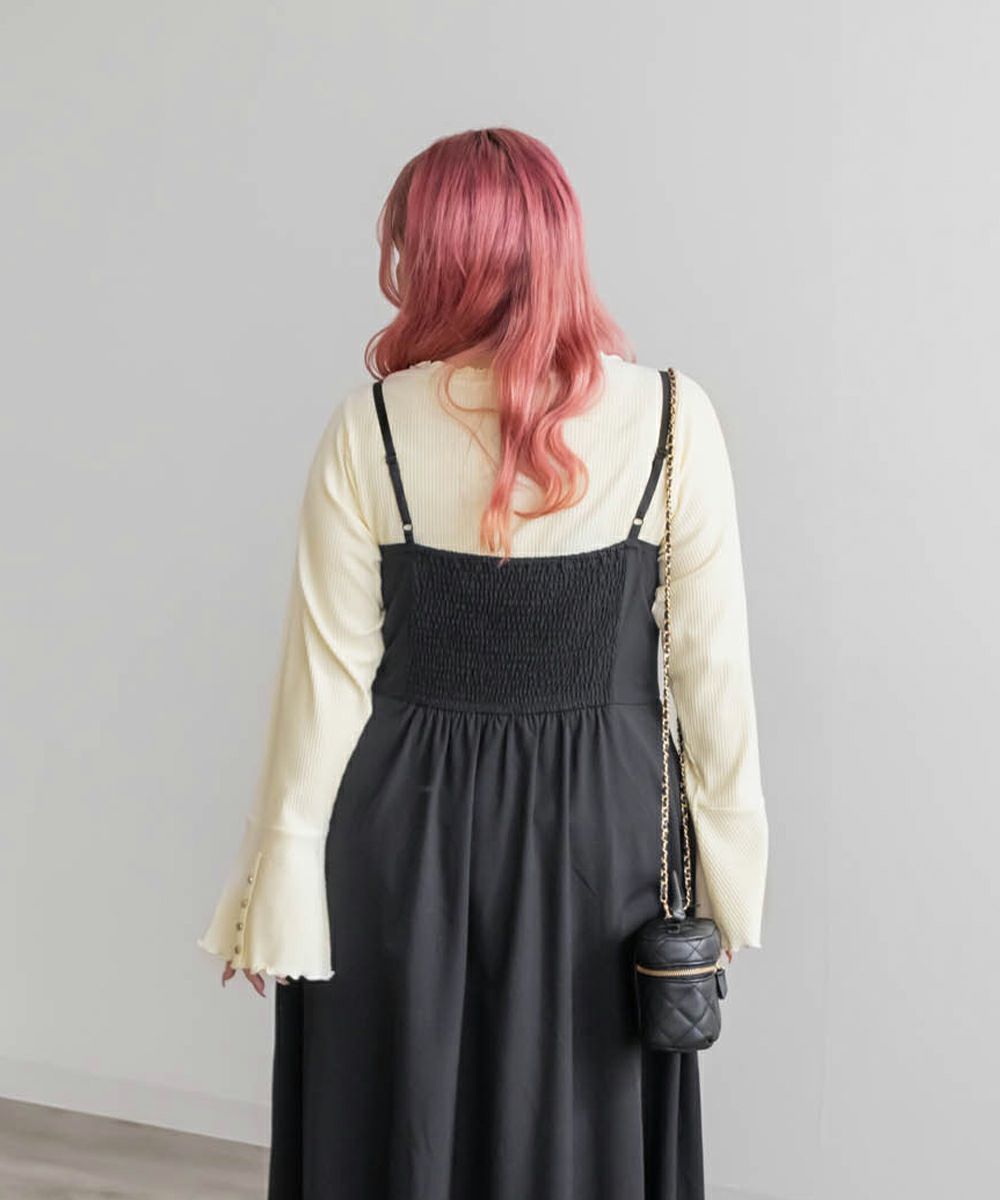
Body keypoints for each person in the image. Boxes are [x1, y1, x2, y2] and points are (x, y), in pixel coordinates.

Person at [197, 126, 768, 1200]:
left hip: (399, 836)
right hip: (602, 842)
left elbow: (324, 685)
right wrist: (729, 884)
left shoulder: (369, 426)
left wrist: (275, 888)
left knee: (401, 1125)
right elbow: (711, 680)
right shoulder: (672, 419)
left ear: (438, 256)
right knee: (579, 1135)